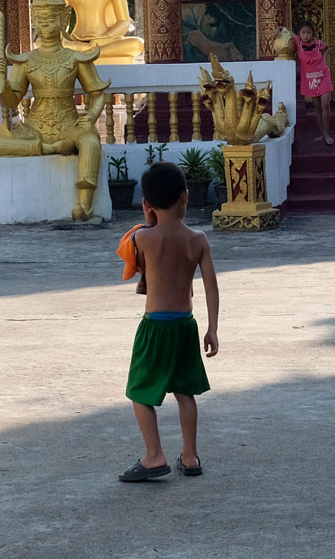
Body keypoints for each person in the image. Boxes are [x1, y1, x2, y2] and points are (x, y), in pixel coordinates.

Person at [120, 162, 219, 483]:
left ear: (146, 204)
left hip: (155, 326)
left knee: (139, 391)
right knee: (185, 391)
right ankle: (190, 456)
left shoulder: (141, 238)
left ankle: (154, 456)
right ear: (185, 197)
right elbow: (211, 288)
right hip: (186, 325)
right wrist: (212, 329)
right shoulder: (199, 239)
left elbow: (135, 269)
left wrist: (148, 222)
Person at [295, 20, 335, 146]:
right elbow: (286, 32)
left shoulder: (319, 44)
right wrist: (278, 30)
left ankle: (327, 132)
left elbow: (328, 47)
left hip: (323, 76)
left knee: (325, 104)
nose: (306, 35)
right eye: (303, 32)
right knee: (317, 106)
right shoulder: (298, 43)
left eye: (308, 32)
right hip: (310, 79)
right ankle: (322, 133)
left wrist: (324, 57)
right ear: (299, 34)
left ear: (313, 33)